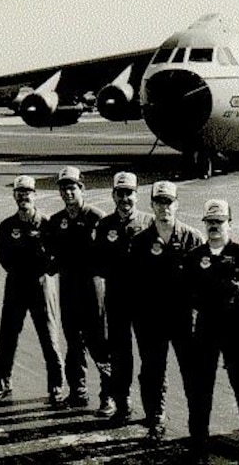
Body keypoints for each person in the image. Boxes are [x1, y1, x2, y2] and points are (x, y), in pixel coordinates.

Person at [185, 199, 239, 465]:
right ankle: (198, 444)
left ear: (229, 224)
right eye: (210, 222)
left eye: (219, 222)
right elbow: (184, 290)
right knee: (200, 388)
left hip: (235, 327)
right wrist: (197, 306)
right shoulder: (195, 257)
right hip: (206, 328)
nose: (214, 227)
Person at [130, 180, 204, 444]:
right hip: (151, 319)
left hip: (184, 318)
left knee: (192, 372)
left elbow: (205, 279)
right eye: (159, 202)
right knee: (152, 372)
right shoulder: (140, 242)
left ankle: (198, 426)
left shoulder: (192, 238)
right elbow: (133, 282)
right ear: (151, 205)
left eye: (169, 202)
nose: (164, 207)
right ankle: (155, 420)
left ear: (177, 204)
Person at [0, 175, 65, 407]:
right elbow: (1, 254)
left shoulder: (47, 224)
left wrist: (44, 269)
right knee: (7, 336)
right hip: (16, 285)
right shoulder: (7, 226)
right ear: (15, 197)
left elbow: (56, 254)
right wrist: (19, 270)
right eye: (19, 193)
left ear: (35, 195)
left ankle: (56, 386)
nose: (24, 196)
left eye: (28, 192)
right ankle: (1, 384)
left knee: (49, 338)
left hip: (41, 286)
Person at [46, 166, 114, 416]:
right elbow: (48, 252)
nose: (68, 192)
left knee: (99, 344)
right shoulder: (56, 221)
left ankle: (109, 396)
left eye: (72, 187)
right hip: (68, 288)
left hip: (93, 288)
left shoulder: (97, 218)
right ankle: (78, 392)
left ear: (81, 189)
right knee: (74, 343)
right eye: (63, 188)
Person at [92, 172, 154, 425]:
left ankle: (153, 409)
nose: (125, 198)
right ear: (113, 195)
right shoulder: (105, 226)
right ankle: (122, 402)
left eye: (129, 193)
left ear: (137, 195)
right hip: (117, 299)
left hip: (144, 300)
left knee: (150, 356)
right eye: (120, 193)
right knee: (120, 355)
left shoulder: (149, 223)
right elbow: (98, 262)